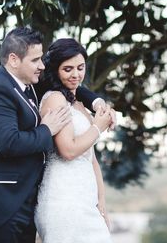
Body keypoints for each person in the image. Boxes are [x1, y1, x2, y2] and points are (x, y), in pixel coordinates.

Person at [0, 27, 113, 243]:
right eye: (35, 60)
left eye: (42, 59)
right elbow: (9, 143)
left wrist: (96, 101)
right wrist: (47, 130)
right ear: (14, 60)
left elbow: (68, 83)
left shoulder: (28, 83)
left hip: (25, 203)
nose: (41, 66)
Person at [34, 38, 113, 242]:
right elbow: (68, 151)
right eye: (67, 69)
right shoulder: (54, 99)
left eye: (80, 67)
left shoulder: (77, 101)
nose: (76, 74)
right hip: (64, 198)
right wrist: (98, 127)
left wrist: (101, 199)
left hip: (85, 198)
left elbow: (90, 156)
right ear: (55, 70)